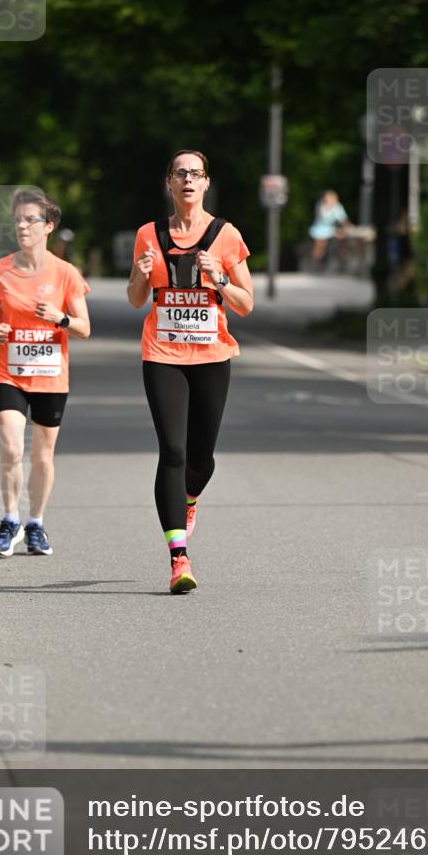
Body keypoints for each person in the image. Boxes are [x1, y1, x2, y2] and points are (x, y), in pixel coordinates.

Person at [128, 150, 254, 593]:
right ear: (169, 183)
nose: (187, 180)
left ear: (205, 183)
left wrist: (218, 277)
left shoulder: (226, 234)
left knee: (202, 460)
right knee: (174, 453)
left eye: (195, 174)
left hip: (211, 356)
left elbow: (246, 302)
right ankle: (178, 558)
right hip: (162, 353)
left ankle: (189, 500)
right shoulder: (149, 234)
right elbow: (134, 298)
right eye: (180, 173)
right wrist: (142, 276)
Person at [0, 187, 91, 557]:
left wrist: (59, 317)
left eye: (31, 220)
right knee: (11, 447)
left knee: (42, 455)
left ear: (48, 227)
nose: (22, 226)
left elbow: (84, 328)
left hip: (50, 375)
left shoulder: (65, 273)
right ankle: (9, 519)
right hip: (8, 371)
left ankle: (36, 523)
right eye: (18, 220)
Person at [308, 189, 351, 264]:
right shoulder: (321, 205)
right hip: (319, 228)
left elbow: (343, 219)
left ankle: (343, 255)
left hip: (331, 229)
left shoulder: (338, 206)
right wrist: (329, 206)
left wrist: (348, 227)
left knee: (343, 236)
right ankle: (316, 261)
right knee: (320, 244)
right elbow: (323, 217)